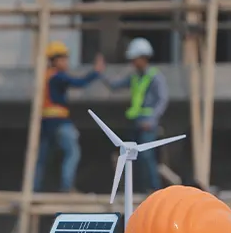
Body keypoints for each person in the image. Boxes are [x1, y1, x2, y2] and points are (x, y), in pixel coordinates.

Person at [34, 41, 105, 193]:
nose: (66, 62)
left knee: (42, 158)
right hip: (59, 122)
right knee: (73, 152)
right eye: (64, 59)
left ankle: (35, 188)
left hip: (46, 123)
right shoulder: (57, 77)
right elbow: (78, 82)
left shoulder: (45, 76)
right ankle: (66, 187)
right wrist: (95, 72)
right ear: (55, 60)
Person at [101, 37, 168, 193]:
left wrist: (152, 120)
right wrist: (101, 73)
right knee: (131, 157)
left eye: (135, 59)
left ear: (143, 57)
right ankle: (137, 188)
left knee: (146, 156)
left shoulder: (155, 76)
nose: (133, 62)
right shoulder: (134, 77)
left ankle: (153, 188)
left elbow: (162, 99)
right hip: (135, 122)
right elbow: (114, 86)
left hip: (147, 124)